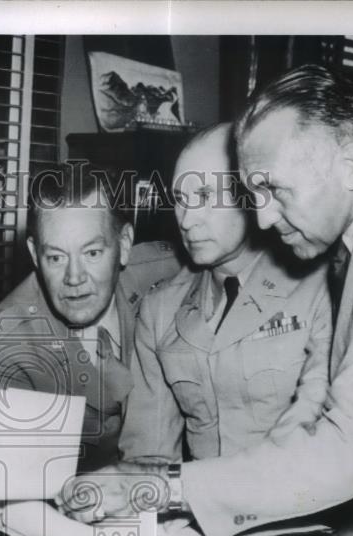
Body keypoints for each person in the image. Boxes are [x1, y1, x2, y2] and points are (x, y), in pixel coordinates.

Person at [60, 65, 353, 536]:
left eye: (272, 189)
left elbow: (347, 445)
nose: (261, 219)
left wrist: (160, 486)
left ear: (350, 165)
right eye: (248, 191)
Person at [120, 123, 331, 463]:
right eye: (180, 200)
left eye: (204, 196)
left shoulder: (318, 288)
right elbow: (148, 454)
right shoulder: (160, 310)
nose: (186, 221)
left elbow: (325, 434)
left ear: (251, 195)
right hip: (193, 509)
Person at [0, 164, 182, 471]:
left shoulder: (169, 271)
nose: (74, 277)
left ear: (125, 245)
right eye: (56, 257)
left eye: (92, 253)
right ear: (35, 255)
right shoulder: (5, 344)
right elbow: (14, 491)